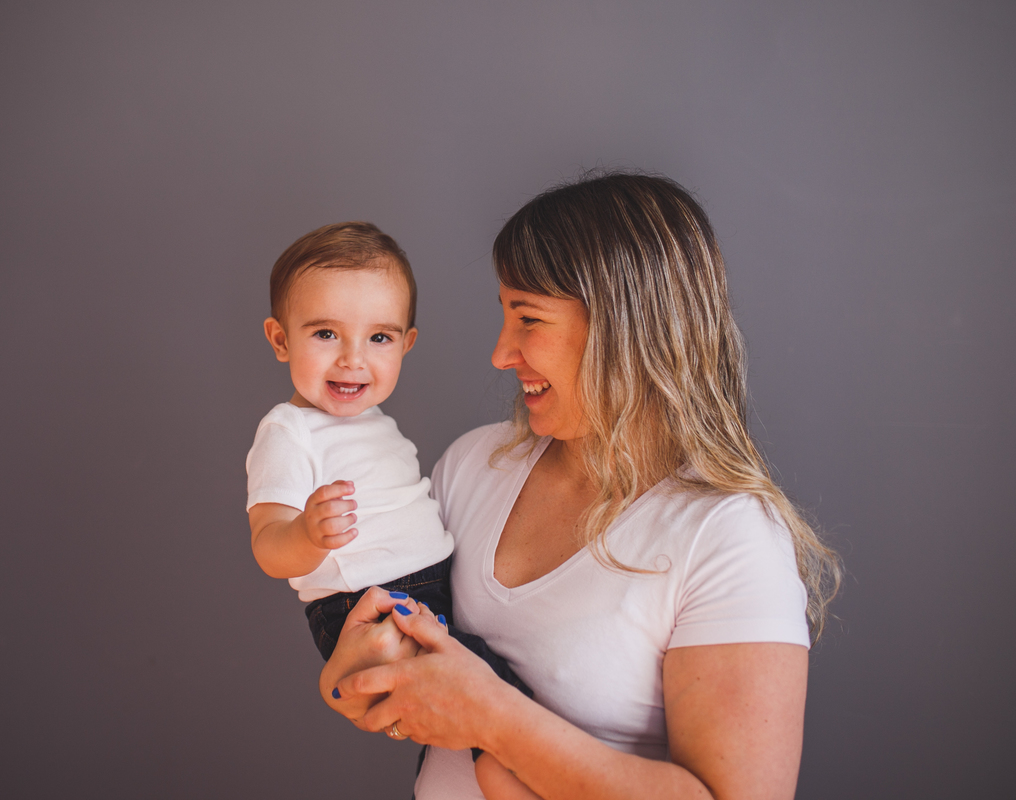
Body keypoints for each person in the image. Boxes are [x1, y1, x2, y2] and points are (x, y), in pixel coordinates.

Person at [320, 172, 841, 800]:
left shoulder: (728, 535)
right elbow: (407, 683)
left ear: (628, 326)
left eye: (529, 319)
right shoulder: (472, 466)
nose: (501, 352)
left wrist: (495, 717)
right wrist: (367, 680)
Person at [246, 221, 536, 800]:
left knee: (488, 696)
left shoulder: (375, 421)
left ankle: (509, 769)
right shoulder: (289, 431)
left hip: (422, 592)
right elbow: (267, 545)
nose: (353, 360)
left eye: (379, 338)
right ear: (281, 340)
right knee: (494, 700)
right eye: (326, 333)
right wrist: (306, 532)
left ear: (406, 343)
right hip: (367, 604)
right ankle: (514, 782)